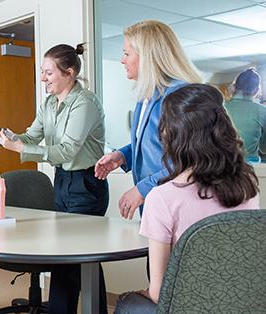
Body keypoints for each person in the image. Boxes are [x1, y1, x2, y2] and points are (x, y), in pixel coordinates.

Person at [113, 84, 260, 314]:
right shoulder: (248, 187)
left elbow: (160, 293)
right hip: (239, 304)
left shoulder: (162, 198)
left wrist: (142, 293)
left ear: (170, 136)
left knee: (128, 302)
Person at [0, 43, 108, 314]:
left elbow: (68, 150)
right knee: (64, 254)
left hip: (86, 185)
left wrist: (21, 149)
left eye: (48, 73)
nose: (43, 79)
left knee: (83, 257)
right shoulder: (48, 103)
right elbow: (31, 137)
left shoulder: (86, 103)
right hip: (62, 182)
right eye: (42, 73)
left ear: (68, 73)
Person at [94, 20, 203, 220]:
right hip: (158, 203)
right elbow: (155, 142)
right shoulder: (147, 95)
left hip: (179, 205)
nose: (122, 60)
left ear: (147, 56)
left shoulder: (181, 96)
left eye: (127, 53)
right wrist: (123, 155)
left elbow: (188, 161)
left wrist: (142, 189)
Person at [224, 67, 266, 163]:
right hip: (250, 167)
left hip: (223, 165)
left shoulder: (220, 107)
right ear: (256, 91)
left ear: (234, 87)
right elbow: (264, 148)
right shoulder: (262, 111)